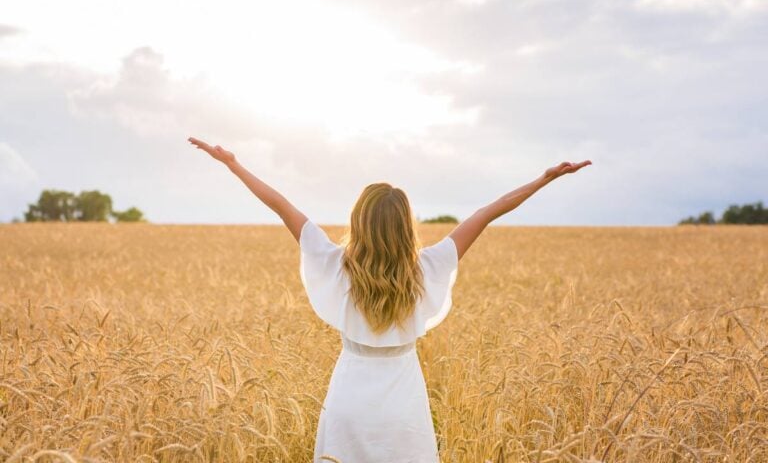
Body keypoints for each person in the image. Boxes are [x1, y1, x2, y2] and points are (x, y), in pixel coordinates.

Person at [188, 136, 591, 462]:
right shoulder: (426, 269)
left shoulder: (334, 264)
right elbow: (487, 213)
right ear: (405, 225)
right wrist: (544, 179)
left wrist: (233, 164)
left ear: (358, 221)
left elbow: (280, 204)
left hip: (349, 396)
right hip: (404, 404)